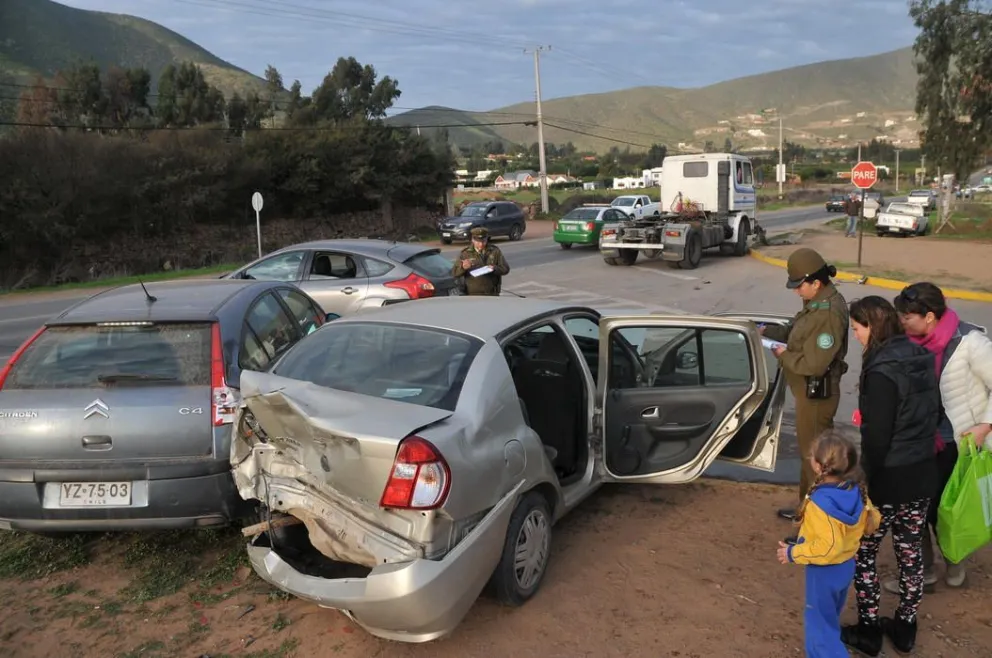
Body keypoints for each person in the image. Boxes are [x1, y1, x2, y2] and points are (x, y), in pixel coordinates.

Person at [841, 296, 940, 657]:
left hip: (888, 479)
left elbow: (877, 438)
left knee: (864, 551)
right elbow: (933, 412)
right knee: (910, 552)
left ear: (873, 325)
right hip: (922, 472)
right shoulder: (922, 356)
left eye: (857, 329)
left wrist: (865, 481)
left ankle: (868, 630)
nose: (856, 336)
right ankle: (905, 629)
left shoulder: (881, 369)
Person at [887, 281, 992, 591]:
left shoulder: (970, 342)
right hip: (917, 439)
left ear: (929, 316)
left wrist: (985, 426)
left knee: (946, 508)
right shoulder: (907, 341)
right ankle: (925, 569)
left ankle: (954, 560)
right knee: (914, 506)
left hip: (956, 442)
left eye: (908, 316)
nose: (902, 321)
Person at [760, 248, 850, 532]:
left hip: (816, 395)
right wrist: (769, 333)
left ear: (816, 282)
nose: (797, 291)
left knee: (816, 461)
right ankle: (805, 510)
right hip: (808, 394)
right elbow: (799, 334)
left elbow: (814, 363)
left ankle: (812, 525)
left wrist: (781, 353)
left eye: (799, 285)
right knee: (810, 456)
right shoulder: (817, 304)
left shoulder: (828, 313)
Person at [776, 430, 880, 658]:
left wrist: (794, 553)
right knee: (829, 617)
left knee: (819, 630)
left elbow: (827, 546)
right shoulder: (855, 490)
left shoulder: (819, 503)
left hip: (824, 571)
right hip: (845, 565)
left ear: (817, 466)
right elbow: (872, 519)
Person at [450, 227, 510, 296]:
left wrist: (494, 268)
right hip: (472, 294)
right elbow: (454, 273)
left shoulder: (494, 251)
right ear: (473, 240)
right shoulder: (465, 253)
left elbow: (505, 269)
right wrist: (463, 268)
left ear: (487, 239)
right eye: (478, 242)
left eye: (483, 241)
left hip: (492, 293)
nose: (481, 244)